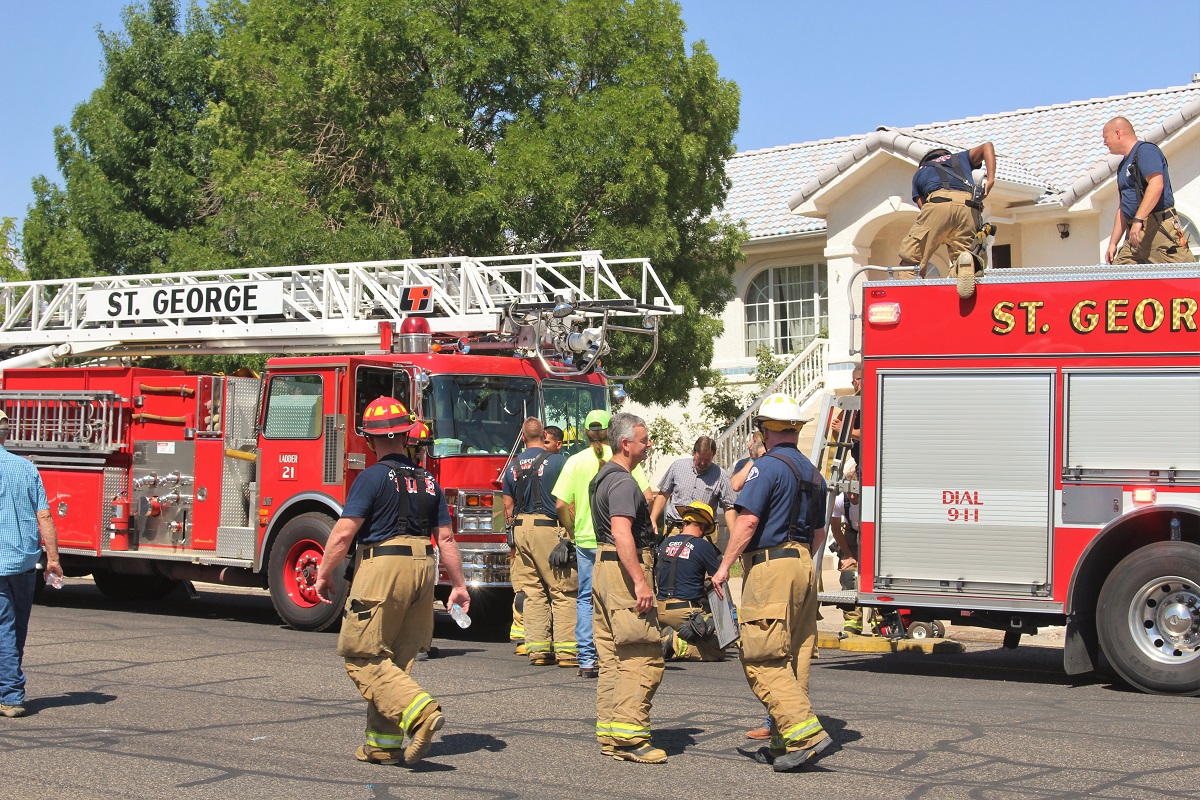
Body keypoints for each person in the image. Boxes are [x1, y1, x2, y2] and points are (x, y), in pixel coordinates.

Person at [313, 397, 469, 767]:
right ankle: (382, 745)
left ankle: (420, 713)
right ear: (406, 435)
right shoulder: (429, 481)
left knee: (362, 654)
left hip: (383, 566)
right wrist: (459, 586)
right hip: (422, 568)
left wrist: (322, 573)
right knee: (395, 661)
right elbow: (445, 539)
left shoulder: (369, 478)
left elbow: (342, 534)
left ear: (370, 439)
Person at [711, 393, 835, 773]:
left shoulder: (766, 467)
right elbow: (818, 532)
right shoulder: (814, 473)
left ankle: (804, 735)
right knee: (794, 655)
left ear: (766, 431)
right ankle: (785, 741)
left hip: (770, 566)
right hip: (802, 564)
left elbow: (747, 522)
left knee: (763, 655)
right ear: (795, 430)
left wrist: (723, 567)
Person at [589, 412, 667, 764]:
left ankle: (612, 732)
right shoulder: (622, 482)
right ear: (625, 444)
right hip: (623, 573)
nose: (648, 445)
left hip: (604, 570)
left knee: (612, 658)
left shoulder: (603, 477)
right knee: (640, 653)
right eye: (644, 440)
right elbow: (622, 533)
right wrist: (639, 581)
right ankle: (631, 737)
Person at [552, 409, 651, 679]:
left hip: (586, 538)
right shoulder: (622, 461)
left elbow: (560, 503)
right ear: (615, 434)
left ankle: (586, 658)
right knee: (622, 596)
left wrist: (570, 529)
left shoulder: (574, 461)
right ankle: (621, 652)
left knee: (587, 598)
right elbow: (649, 496)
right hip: (616, 540)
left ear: (585, 432)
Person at [0, 410, 63, 718]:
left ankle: (10, 695)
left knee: (4, 628)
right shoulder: (26, 468)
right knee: (16, 626)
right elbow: (45, 516)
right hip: (24, 560)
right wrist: (52, 559)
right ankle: (8, 688)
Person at [503, 417, 574, 667]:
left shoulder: (512, 466)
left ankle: (538, 650)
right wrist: (571, 533)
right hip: (547, 527)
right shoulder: (558, 461)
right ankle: (568, 652)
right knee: (562, 590)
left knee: (532, 592)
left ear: (523, 437)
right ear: (543, 434)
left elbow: (507, 506)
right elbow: (566, 501)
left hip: (521, 529)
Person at [898, 141, 996, 298]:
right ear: (946, 155)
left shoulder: (920, 173)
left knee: (912, 258)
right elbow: (987, 146)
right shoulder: (959, 158)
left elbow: (924, 208)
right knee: (962, 258)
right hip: (969, 208)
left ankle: (910, 297)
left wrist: (937, 235)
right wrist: (990, 179)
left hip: (938, 204)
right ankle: (961, 269)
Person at [1102, 117, 1191, 266]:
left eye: (1106, 138)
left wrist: (1138, 220)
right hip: (1134, 235)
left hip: (1157, 227)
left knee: (1184, 278)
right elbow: (1123, 206)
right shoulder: (1123, 166)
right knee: (1118, 278)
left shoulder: (1145, 151)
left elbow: (1156, 185)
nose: (1104, 143)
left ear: (1118, 133)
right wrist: (1113, 243)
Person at [656, 502, 726, 662]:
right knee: (718, 651)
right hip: (685, 613)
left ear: (684, 523)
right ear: (703, 527)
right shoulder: (703, 546)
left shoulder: (664, 543)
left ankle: (660, 639)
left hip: (659, 611)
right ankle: (676, 642)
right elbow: (720, 578)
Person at [650, 436, 737, 544]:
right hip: (675, 528)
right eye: (700, 459)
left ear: (713, 456)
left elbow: (729, 507)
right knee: (670, 560)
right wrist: (653, 519)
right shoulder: (677, 466)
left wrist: (734, 535)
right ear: (694, 453)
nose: (703, 463)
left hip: (704, 532)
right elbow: (664, 493)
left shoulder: (721, 475)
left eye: (707, 460)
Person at [829, 491, 865, 637]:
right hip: (851, 534)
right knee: (848, 576)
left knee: (875, 578)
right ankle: (852, 622)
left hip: (872, 533)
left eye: (855, 493)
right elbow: (836, 529)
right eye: (849, 492)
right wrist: (848, 554)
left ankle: (882, 621)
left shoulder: (872, 495)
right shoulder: (839, 501)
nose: (852, 497)